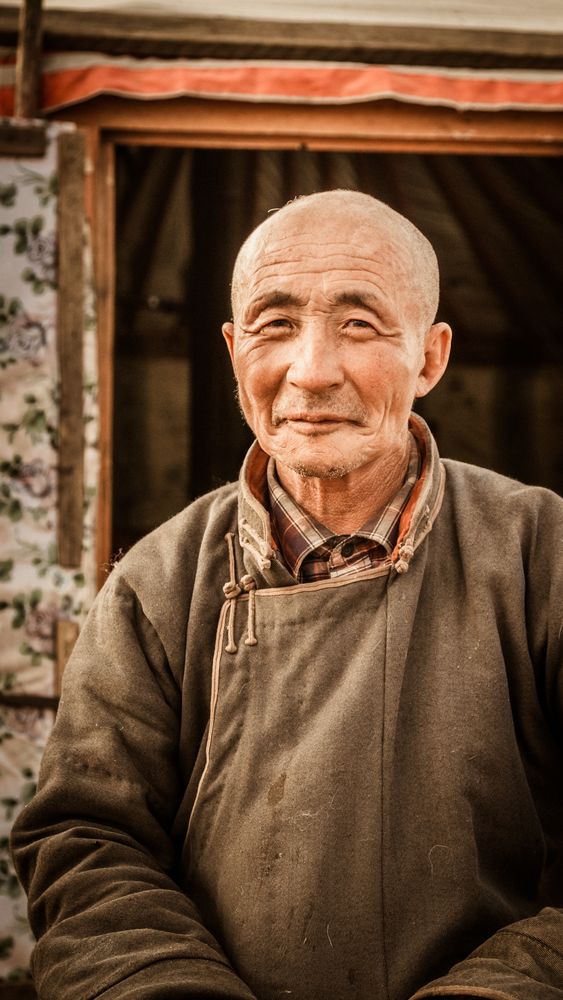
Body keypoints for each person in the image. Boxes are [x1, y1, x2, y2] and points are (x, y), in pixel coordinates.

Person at [11, 190, 563, 1000]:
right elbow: (87, 843)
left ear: (430, 357)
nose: (311, 370)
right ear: (235, 351)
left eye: (359, 325)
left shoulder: (540, 554)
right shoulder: (157, 583)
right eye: (274, 325)